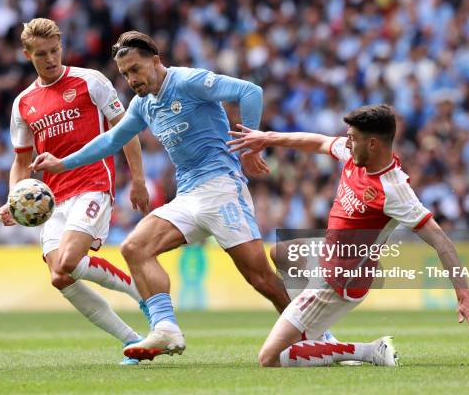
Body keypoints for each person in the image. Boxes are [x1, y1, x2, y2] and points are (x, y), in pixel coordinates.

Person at [30, 30, 301, 361]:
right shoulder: (143, 105)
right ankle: (166, 329)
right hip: (188, 195)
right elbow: (111, 140)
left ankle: (315, 333)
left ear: (155, 61)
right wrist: (62, 163)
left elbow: (250, 91)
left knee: (260, 278)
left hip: (222, 187)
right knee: (134, 247)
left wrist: (251, 143)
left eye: (136, 69)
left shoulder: (187, 81)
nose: (132, 78)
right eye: (126, 73)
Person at [227, 104, 469, 367]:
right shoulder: (355, 154)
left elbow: (441, 241)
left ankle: (369, 351)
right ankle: (318, 332)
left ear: (373, 144)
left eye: (353, 138)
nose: (347, 143)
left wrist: (464, 295)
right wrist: (267, 138)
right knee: (281, 252)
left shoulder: (394, 190)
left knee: (269, 358)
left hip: (338, 282)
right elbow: (318, 142)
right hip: (327, 253)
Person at [0, 19, 150, 366]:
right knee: (60, 276)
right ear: (27, 55)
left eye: (54, 51)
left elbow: (125, 129)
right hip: (52, 199)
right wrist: (12, 199)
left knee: (68, 260)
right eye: (41, 54)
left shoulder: (90, 81)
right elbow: (21, 162)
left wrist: (138, 180)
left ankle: (140, 293)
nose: (50, 59)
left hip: (93, 183)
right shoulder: (23, 104)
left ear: (61, 47)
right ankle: (134, 341)